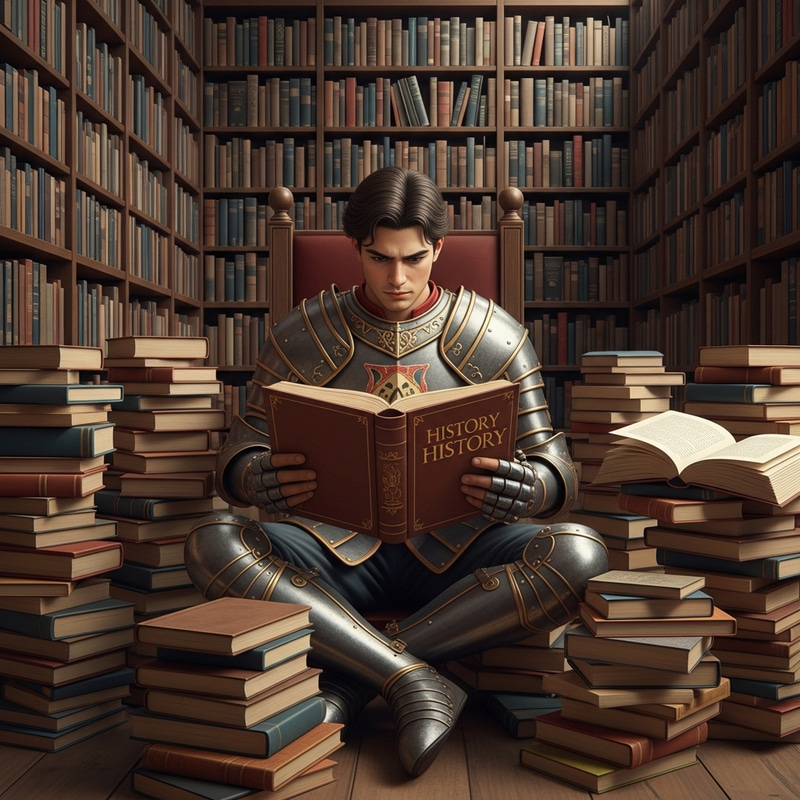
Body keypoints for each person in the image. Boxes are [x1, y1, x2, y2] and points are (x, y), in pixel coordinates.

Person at [185, 166, 608, 778]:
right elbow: (239, 453)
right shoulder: (301, 336)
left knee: (582, 555)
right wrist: (255, 477)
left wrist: (531, 485)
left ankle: (362, 680)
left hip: (462, 556)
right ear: (355, 248)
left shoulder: (496, 337)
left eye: (414, 258)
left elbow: (554, 468)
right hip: (332, 554)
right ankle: (412, 678)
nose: (397, 278)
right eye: (379, 258)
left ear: (440, 248)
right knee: (211, 543)